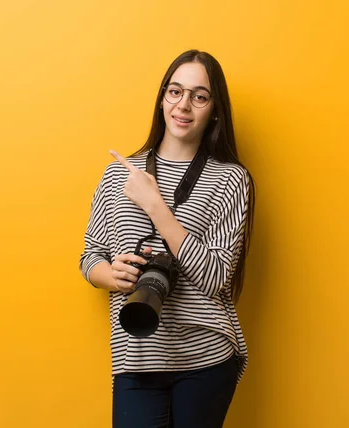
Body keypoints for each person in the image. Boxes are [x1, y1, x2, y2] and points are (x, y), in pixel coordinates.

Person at [79, 49, 255, 428]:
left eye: (199, 96)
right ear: (162, 99)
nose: (184, 105)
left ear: (215, 110)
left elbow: (214, 278)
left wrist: (156, 204)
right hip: (137, 353)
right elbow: (90, 254)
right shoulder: (118, 175)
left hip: (205, 356)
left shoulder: (230, 179)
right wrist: (110, 275)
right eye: (175, 92)